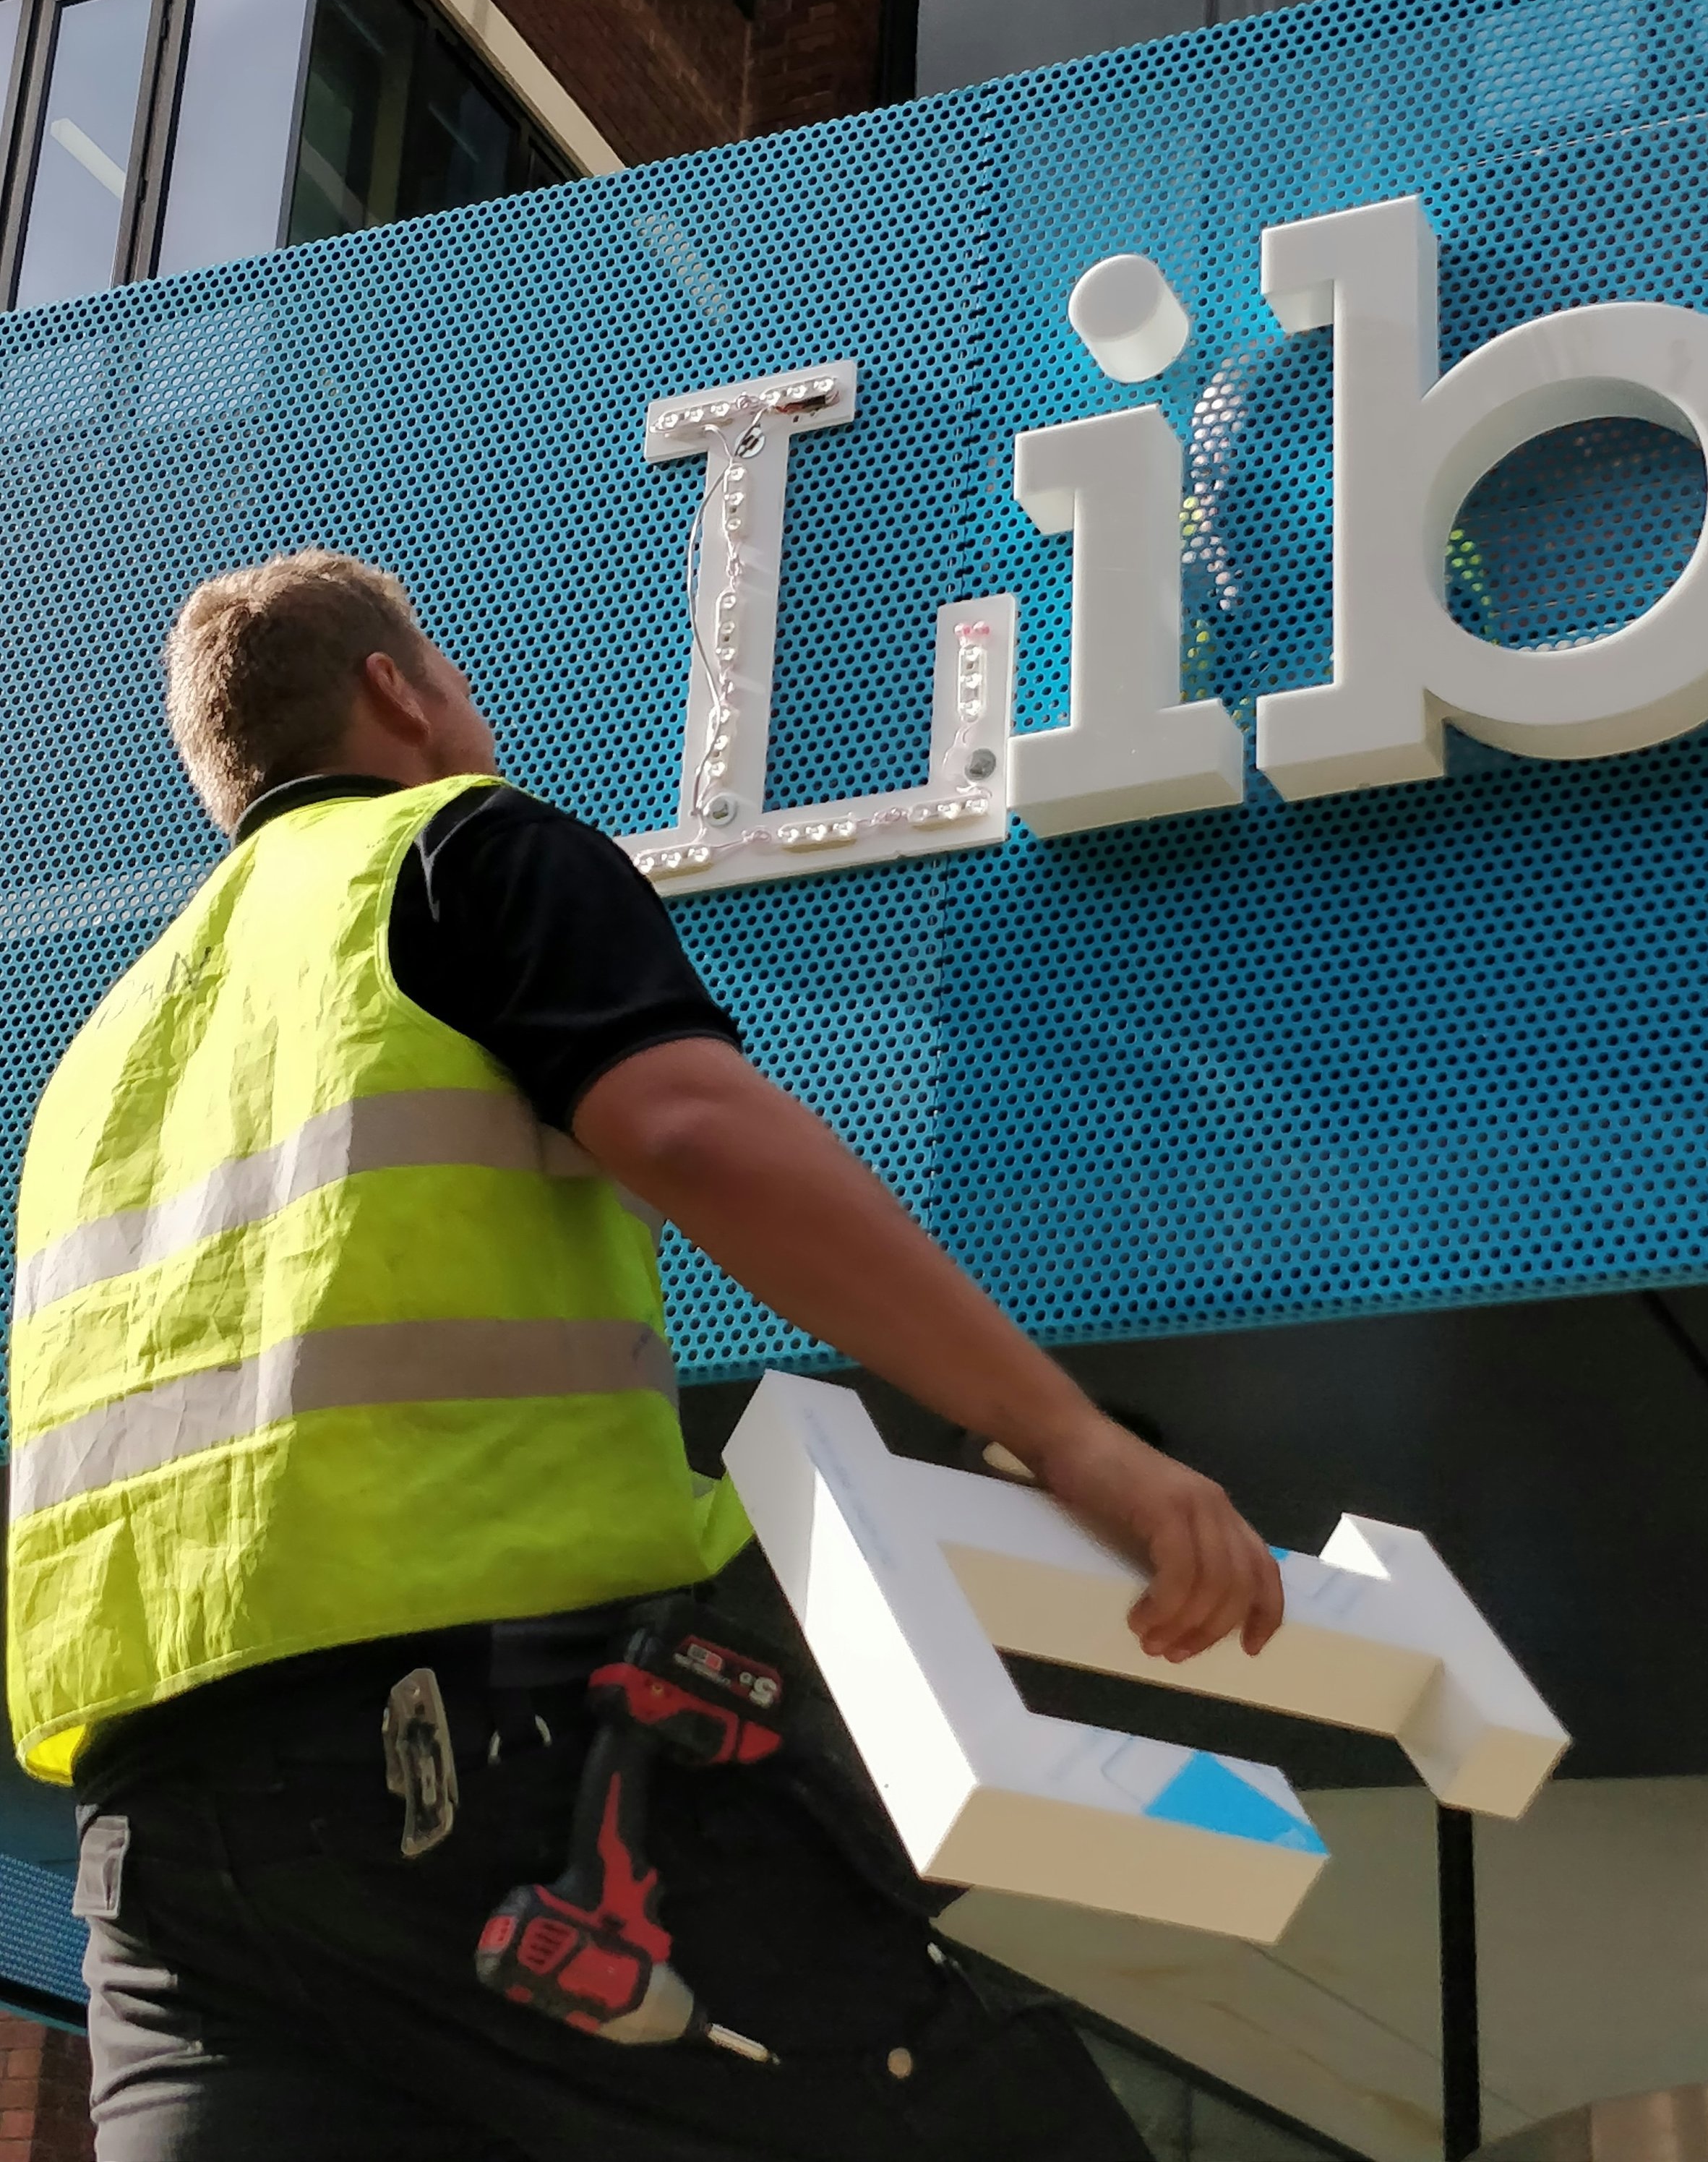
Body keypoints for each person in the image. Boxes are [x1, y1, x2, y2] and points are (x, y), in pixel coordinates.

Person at [5, 549, 1284, 2161]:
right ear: (398, 691)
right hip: (486, 1772)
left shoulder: (99, 1061)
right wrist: (1075, 1436)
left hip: (163, 1869)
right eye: (457, 684)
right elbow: (683, 1124)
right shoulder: (463, 851)